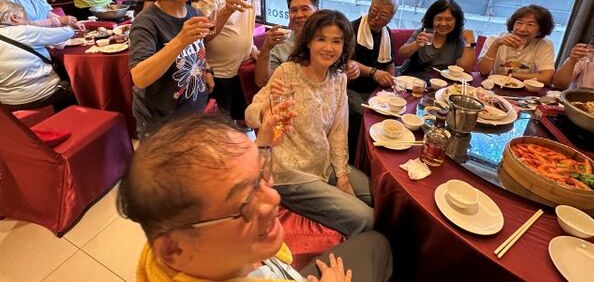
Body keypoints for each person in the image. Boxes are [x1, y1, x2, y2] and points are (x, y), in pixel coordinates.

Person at [117, 113, 392, 282]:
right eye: (245, 203)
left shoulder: (196, 252)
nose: (274, 198)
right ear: (175, 250)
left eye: (262, 175)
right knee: (379, 245)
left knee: (376, 241)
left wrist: (263, 144)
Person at [246, 10, 374, 238]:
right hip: (288, 173)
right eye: (321, 39)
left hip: (322, 163)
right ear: (308, 42)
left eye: (336, 41)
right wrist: (267, 110)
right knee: (366, 218)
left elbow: (338, 131)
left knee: (376, 195)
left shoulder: (339, 79)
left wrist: (342, 177)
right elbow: (250, 115)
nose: (329, 47)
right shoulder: (287, 72)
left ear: (345, 46)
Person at [129, 0, 214, 139]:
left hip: (193, 114)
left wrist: (207, 70)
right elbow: (139, 77)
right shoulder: (146, 21)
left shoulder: (194, 13)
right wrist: (180, 40)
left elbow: (197, 52)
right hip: (161, 124)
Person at [203, 0, 260, 120]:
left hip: (244, 68)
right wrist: (226, 10)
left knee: (244, 121)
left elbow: (248, 19)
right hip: (218, 74)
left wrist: (251, 45)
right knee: (222, 129)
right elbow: (202, 36)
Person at [346, 0, 398, 161]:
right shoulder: (352, 29)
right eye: (373, 11)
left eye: (382, 15)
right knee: (362, 114)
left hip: (376, 90)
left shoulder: (386, 33)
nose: (375, 18)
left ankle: (378, 158)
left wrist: (393, 85)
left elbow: (390, 62)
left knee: (393, 112)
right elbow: (346, 62)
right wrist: (373, 72)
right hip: (352, 87)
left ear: (391, 18)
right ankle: (355, 158)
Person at [0, 0, 76, 111]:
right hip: (38, 96)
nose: (28, 22)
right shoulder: (22, 31)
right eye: (26, 18)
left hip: (6, 102)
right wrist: (71, 27)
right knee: (80, 84)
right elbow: (66, 33)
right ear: (14, 18)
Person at [254, 0, 320, 87]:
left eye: (305, 9)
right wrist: (266, 48)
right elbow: (262, 82)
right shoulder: (280, 42)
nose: (299, 15)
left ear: (317, 12)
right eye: (294, 10)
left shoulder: (328, 41)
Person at [478, 4, 555, 84]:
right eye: (519, 23)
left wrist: (511, 75)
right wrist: (495, 45)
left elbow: (546, 77)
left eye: (530, 24)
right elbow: (483, 71)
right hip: (494, 85)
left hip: (525, 89)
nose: (522, 29)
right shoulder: (494, 39)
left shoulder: (544, 45)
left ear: (540, 31)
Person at [398, 0, 476, 74]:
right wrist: (416, 44)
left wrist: (470, 42)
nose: (443, 24)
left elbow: (465, 69)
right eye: (438, 19)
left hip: (442, 81)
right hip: (413, 77)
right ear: (431, 19)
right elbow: (401, 55)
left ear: (456, 21)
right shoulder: (423, 33)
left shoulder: (458, 39)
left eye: (448, 19)